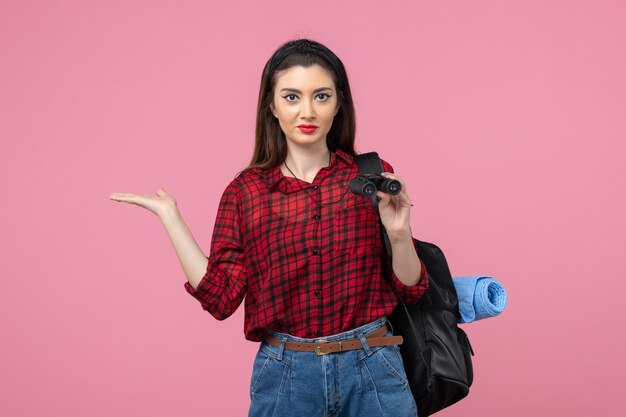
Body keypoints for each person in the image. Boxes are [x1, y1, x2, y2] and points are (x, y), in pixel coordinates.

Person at [110, 38, 428, 417]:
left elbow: (411, 290)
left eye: (321, 96)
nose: (307, 111)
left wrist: (398, 233)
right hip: (287, 376)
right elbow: (222, 298)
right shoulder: (245, 193)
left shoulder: (370, 177)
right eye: (292, 97)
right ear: (272, 106)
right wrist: (171, 218)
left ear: (338, 103)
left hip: (373, 365)